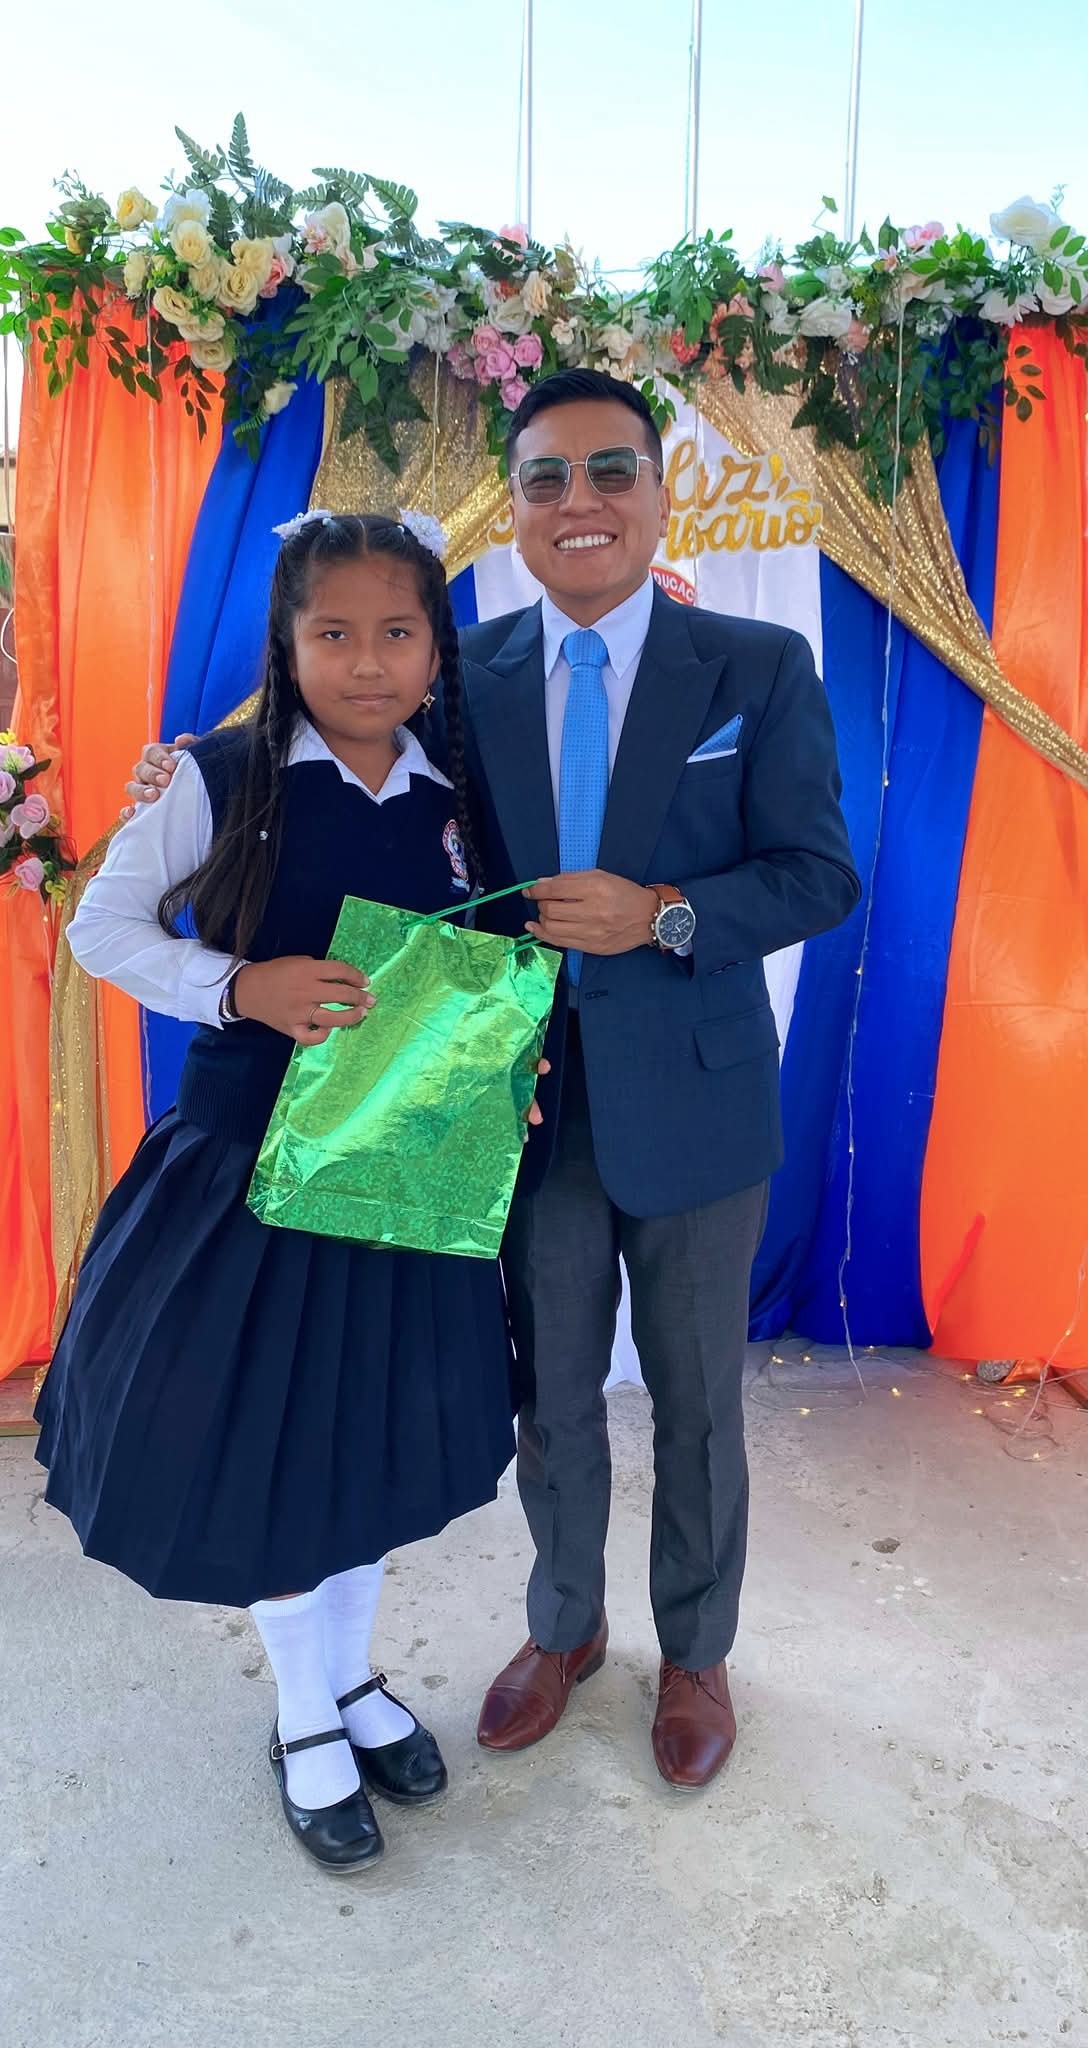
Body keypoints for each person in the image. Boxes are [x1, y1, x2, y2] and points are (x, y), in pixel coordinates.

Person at [129, 369, 861, 1792]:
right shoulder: (465, 673)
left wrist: (665, 912)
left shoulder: (756, 669)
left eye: (610, 471)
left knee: (700, 1402)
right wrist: (184, 784)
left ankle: (696, 1652)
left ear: (659, 492)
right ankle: (563, 1627)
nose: (580, 502)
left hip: (700, 1100)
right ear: (514, 510)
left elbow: (819, 874)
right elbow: (337, 758)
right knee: (552, 1393)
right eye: (546, 479)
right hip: (513, 1104)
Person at [37, 510, 530, 1875]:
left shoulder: (463, 790)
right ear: (287, 642)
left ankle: (353, 1675)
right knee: (270, 1450)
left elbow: (484, 963)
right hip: (251, 1174)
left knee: (368, 1442)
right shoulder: (220, 778)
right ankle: (306, 1712)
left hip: (402, 1176)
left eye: (397, 632)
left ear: (436, 645)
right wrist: (238, 985)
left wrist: (504, 1064)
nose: (368, 663)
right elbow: (101, 928)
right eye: (334, 634)